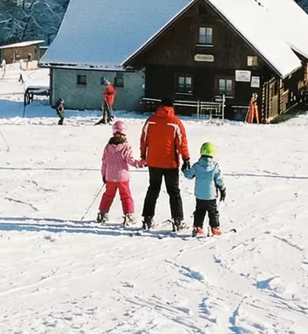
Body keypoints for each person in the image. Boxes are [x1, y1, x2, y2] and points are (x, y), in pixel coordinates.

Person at [139, 98, 191, 231]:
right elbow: (181, 142)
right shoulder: (175, 122)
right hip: (170, 162)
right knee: (173, 191)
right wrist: (186, 159)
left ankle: (147, 218)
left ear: (160, 106)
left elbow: (144, 139)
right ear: (172, 106)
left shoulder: (151, 120)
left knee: (153, 189)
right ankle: (178, 220)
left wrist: (143, 154)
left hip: (153, 161)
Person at [97, 120, 142, 225]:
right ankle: (129, 215)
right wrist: (139, 164)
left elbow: (104, 162)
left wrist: (104, 174)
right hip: (122, 177)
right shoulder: (126, 146)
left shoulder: (108, 147)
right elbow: (130, 160)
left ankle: (102, 213)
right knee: (126, 196)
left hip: (110, 176)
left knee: (108, 195)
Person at [185, 142, 227, 237]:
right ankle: (215, 227)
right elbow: (219, 179)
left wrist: (185, 169)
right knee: (213, 212)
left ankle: (197, 227)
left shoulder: (196, 166)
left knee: (199, 211)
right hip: (211, 195)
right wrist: (222, 189)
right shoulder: (215, 166)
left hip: (199, 195)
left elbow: (189, 175)